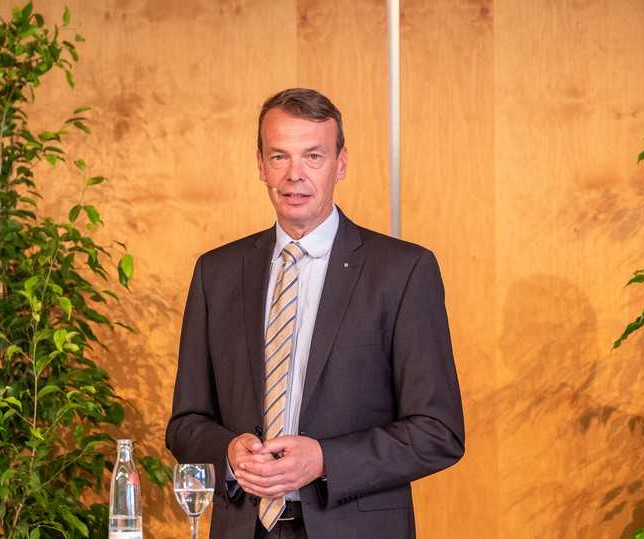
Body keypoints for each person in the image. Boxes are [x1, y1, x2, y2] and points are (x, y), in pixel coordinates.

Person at [166, 88, 464, 539]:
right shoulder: (217, 273)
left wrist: (324, 459)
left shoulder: (402, 272)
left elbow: (438, 432)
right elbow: (186, 424)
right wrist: (229, 451)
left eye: (313, 156)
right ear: (261, 165)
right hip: (244, 528)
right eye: (280, 156)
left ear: (340, 164)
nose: (294, 175)